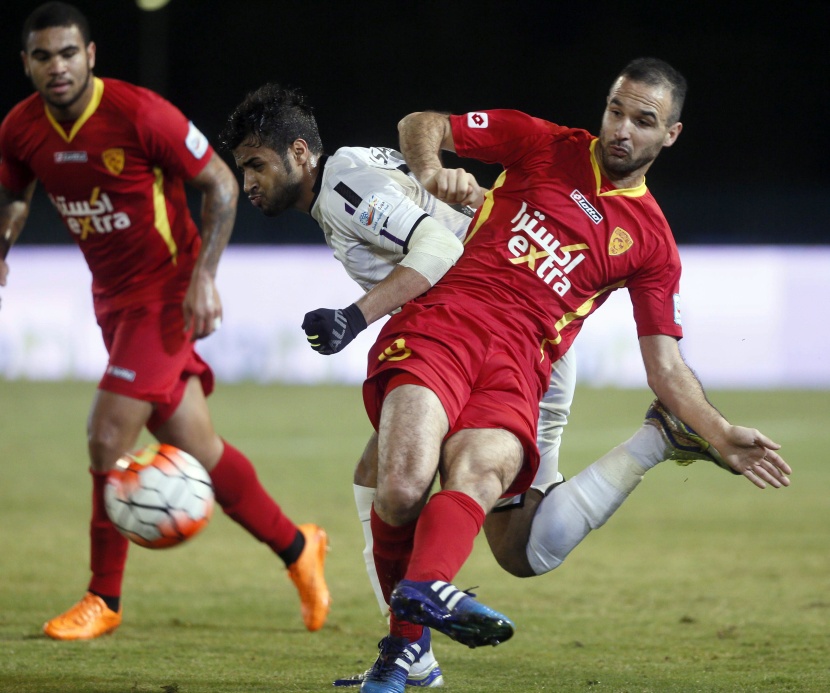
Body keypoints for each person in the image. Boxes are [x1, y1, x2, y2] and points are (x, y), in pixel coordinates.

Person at [217, 79, 788, 691]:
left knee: (520, 548)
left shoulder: (650, 241)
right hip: (450, 320)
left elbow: (665, 365)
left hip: (530, 363)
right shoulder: (545, 143)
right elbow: (422, 122)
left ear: (670, 134)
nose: (622, 128)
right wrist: (436, 170)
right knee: (391, 480)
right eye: (615, 111)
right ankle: (412, 643)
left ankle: (651, 443)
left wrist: (720, 430)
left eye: (643, 120)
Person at [0, 2, 330, 641]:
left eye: (68, 53)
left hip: (165, 294)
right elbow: (15, 193)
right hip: (113, 302)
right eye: (43, 57)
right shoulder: (20, 128)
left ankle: (104, 598)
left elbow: (222, 186)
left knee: (105, 435)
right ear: (27, 65)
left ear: (90, 55)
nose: (57, 67)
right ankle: (299, 547)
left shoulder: (138, 112)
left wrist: (204, 278)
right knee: (201, 448)